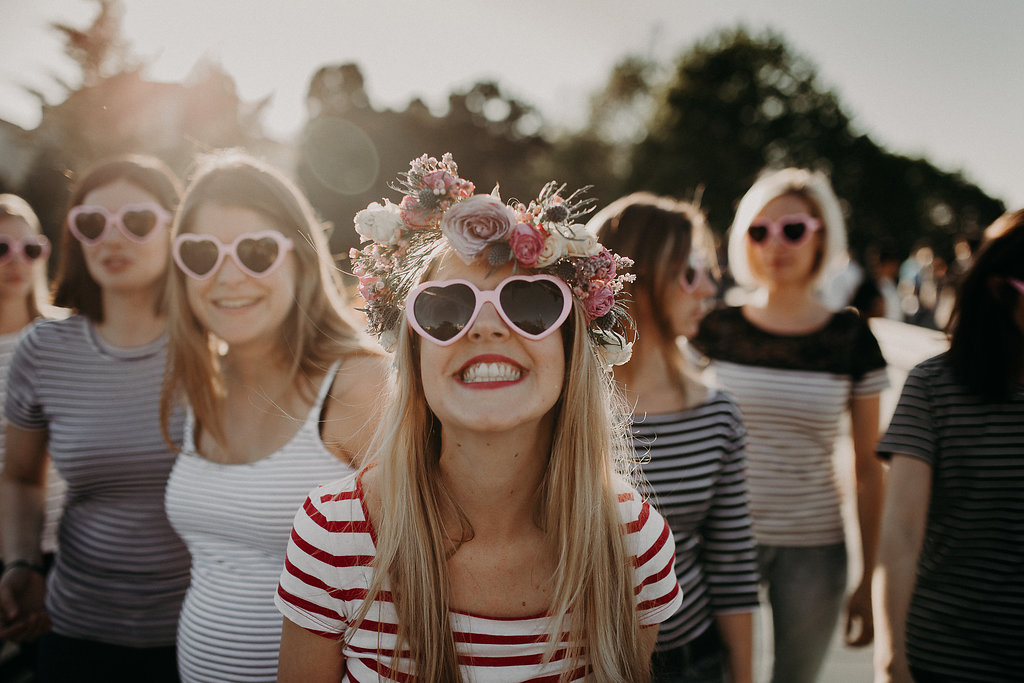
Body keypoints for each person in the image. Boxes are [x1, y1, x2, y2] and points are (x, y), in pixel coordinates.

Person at [274, 153, 683, 682]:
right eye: (446, 309)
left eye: (530, 304)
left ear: (570, 351)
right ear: (414, 355)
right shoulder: (334, 533)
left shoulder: (632, 540)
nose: (487, 329)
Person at [159, 151, 390, 682]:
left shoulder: (360, 385)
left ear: (300, 261)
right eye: (200, 254)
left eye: (256, 252)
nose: (227, 276)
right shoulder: (203, 384)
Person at [691, 168, 889, 683]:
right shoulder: (716, 327)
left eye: (793, 229)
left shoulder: (852, 339)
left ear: (822, 236)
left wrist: (870, 576)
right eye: (760, 230)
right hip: (719, 538)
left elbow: (869, 469)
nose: (774, 244)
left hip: (815, 546)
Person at [0, 155, 190, 682]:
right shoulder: (44, 349)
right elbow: (19, 477)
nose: (111, 237)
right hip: (74, 633)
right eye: (91, 222)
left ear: (174, 228)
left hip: (197, 635)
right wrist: (21, 563)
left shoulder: (213, 349)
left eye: (135, 221)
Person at [591, 193, 759, 683]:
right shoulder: (559, 409)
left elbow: (732, 565)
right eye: (691, 271)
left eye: (709, 269)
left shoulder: (717, 412)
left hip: (693, 661)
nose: (710, 287)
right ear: (636, 282)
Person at [873, 209, 1024, 683]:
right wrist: (891, 658)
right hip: (949, 653)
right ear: (1001, 290)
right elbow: (900, 535)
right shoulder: (934, 387)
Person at [0, 194, 65, 678]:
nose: (16, 261)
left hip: (68, 549)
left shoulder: (69, 336)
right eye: (1, 248)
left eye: (30, 248)